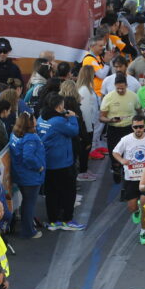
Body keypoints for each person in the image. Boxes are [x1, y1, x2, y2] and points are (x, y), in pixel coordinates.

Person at [37, 94, 83, 231]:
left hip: (48, 161)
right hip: (62, 162)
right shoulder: (58, 121)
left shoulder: (41, 118)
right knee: (68, 192)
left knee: (51, 192)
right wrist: (73, 117)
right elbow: (74, 131)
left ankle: (53, 220)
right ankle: (67, 219)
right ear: (59, 106)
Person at [112, 114, 145, 245]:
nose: (138, 129)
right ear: (132, 127)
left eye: (141, 127)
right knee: (132, 207)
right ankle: (136, 211)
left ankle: (143, 233)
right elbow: (115, 152)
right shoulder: (126, 140)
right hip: (131, 178)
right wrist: (122, 160)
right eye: (135, 127)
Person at [6, 113, 45, 239]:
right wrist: (38, 166)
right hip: (30, 177)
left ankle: (27, 227)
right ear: (29, 122)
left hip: (21, 175)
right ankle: (28, 231)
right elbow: (28, 157)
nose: (36, 119)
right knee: (29, 203)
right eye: (34, 118)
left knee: (27, 202)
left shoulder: (15, 134)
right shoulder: (30, 138)